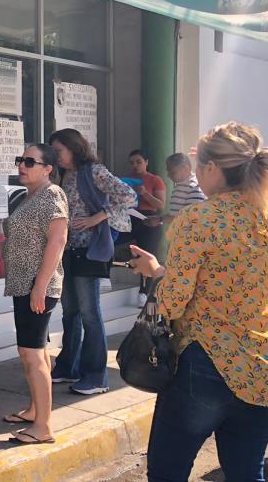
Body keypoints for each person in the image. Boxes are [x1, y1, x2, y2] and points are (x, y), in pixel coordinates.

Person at [127, 122, 268, 482]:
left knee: (167, 473)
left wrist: (157, 272)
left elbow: (172, 302)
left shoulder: (199, 219)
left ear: (213, 169)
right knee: (247, 472)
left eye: (201, 165)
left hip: (207, 367)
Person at [0, 144, 68, 445]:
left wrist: (40, 286)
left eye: (30, 161)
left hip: (36, 286)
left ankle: (43, 426)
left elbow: (56, 243)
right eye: (21, 160)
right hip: (23, 284)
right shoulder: (28, 197)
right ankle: (34, 410)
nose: (22, 165)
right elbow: (23, 245)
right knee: (33, 351)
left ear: (48, 168)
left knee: (32, 354)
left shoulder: (52, 195)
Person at [48, 128, 135, 395]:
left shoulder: (94, 171)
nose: (57, 156)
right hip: (69, 250)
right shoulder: (64, 174)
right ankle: (68, 366)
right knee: (70, 311)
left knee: (89, 312)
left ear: (74, 148)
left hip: (90, 250)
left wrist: (98, 217)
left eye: (59, 151)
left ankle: (96, 376)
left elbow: (128, 195)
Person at [122, 149, 165, 307]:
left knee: (147, 254)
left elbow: (160, 204)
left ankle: (144, 292)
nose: (135, 165)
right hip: (129, 217)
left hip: (148, 219)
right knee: (111, 241)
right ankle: (104, 276)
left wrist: (145, 194)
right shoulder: (126, 180)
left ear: (146, 162)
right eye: (132, 162)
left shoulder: (155, 180)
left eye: (139, 162)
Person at [145, 152, 206, 227]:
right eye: (168, 171)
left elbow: (190, 217)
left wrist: (160, 219)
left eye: (173, 172)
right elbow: (176, 213)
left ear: (186, 169)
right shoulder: (182, 186)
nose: (168, 175)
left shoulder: (194, 187)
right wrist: (158, 218)